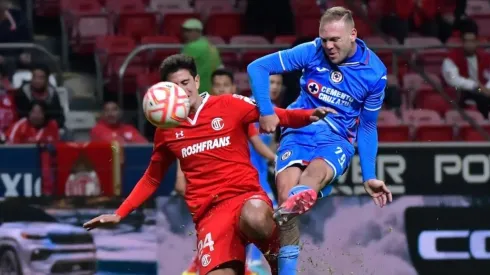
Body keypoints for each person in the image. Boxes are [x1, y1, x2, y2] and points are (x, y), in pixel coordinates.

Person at [83, 54, 335, 275]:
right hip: (210, 215)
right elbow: (152, 177)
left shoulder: (228, 104)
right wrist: (120, 213)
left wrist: (309, 116)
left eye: (185, 83)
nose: (182, 90)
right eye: (174, 86)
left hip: (245, 198)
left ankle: (280, 263)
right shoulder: (166, 131)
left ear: (196, 82)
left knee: (257, 217)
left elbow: (279, 115)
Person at [247, 6, 393, 274]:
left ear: (353, 34)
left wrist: (369, 174)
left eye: (335, 40)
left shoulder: (374, 73)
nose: (328, 46)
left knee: (309, 180)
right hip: (300, 127)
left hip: (337, 137)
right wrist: (267, 112)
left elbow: (368, 126)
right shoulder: (312, 50)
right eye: (324, 39)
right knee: (285, 200)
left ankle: (306, 192)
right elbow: (258, 67)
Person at [442, 20, 490, 119]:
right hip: (462, 93)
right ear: (462, 41)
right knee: (482, 98)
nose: (469, 44)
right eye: (466, 41)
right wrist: (478, 87)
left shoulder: (485, 57)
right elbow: (454, 80)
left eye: (472, 41)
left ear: (477, 41)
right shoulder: (451, 59)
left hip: (483, 91)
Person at [181, 18, 222, 94]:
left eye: (189, 31)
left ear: (198, 32)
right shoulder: (211, 46)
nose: (185, 34)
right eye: (184, 30)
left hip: (197, 90)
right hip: (212, 90)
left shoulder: (192, 47)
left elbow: (180, 67)